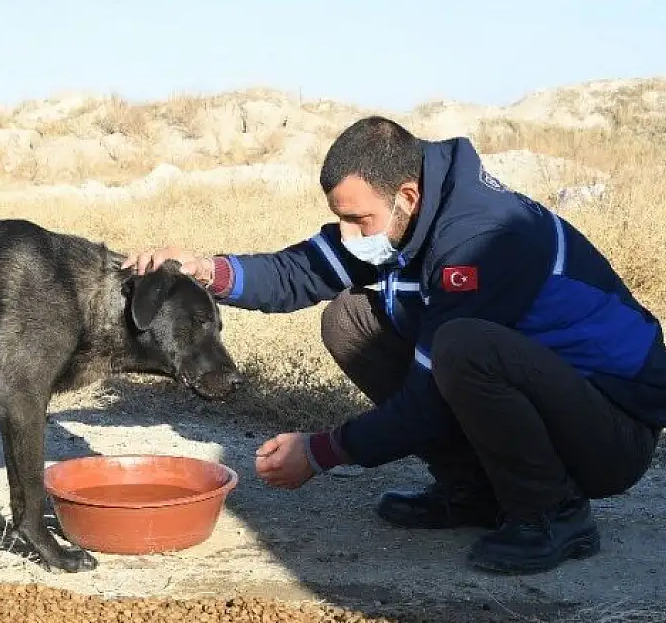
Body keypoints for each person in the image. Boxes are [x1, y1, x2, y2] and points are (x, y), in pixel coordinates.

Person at [122, 116, 666, 575]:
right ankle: (474, 490)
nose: (351, 234)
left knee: (463, 346)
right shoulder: (404, 215)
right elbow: (296, 273)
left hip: (612, 435)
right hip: (553, 406)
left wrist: (320, 452)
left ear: (407, 195)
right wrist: (204, 270)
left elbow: (429, 401)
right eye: (342, 219)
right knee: (349, 318)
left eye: (359, 219)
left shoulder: (485, 239)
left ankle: (554, 514)